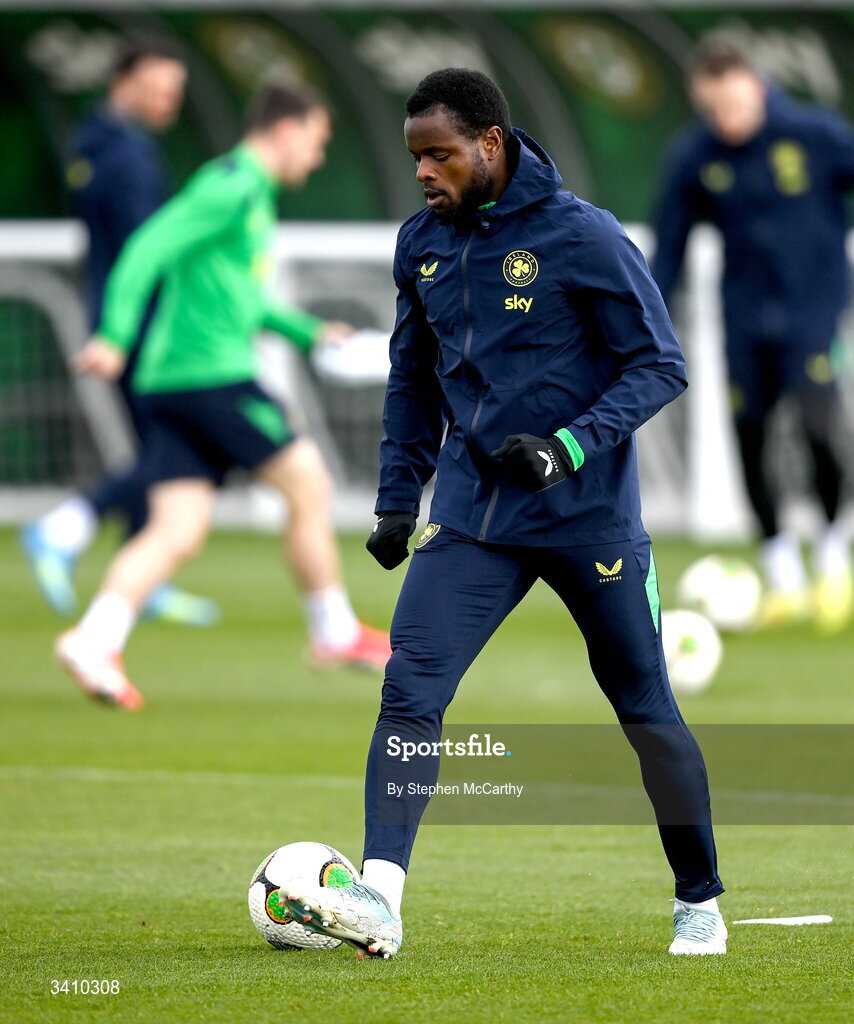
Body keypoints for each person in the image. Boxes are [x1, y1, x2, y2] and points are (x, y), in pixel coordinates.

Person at [280, 68, 726, 958]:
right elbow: (411, 377)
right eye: (415, 158)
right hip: (476, 517)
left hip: (589, 518)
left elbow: (660, 364)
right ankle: (382, 898)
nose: (423, 173)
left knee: (643, 705)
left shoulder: (584, 236)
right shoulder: (422, 244)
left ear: (490, 143)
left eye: (438, 154)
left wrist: (567, 445)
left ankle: (699, 901)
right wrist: (397, 502)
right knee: (410, 691)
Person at [55, 80, 390, 710]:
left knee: (176, 529)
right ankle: (333, 631)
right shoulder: (232, 185)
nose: (316, 159)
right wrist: (114, 333)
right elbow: (146, 247)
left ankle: (93, 639)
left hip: (174, 383)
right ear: (287, 131)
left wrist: (308, 331)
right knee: (309, 483)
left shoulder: (249, 192)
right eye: (317, 142)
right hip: (210, 377)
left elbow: (240, 295)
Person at [652, 42, 854, 632]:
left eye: (734, 104)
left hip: (814, 315)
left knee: (819, 426)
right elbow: (671, 248)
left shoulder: (814, 134)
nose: (727, 119)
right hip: (742, 319)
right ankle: (782, 568)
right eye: (713, 109)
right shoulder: (695, 156)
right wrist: (647, 321)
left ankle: (834, 551)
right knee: (751, 435)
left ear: (756, 87)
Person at [22, 36, 218, 627]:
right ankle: (67, 524)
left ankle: (140, 573)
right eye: (160, 88)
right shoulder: (125, 155)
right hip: (139, 324)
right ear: (124, 81)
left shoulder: (92, 141)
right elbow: (146, 250)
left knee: (154, 446)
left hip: (117, 316)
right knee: (175, 448)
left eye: (177, 91)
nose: (169, 101)